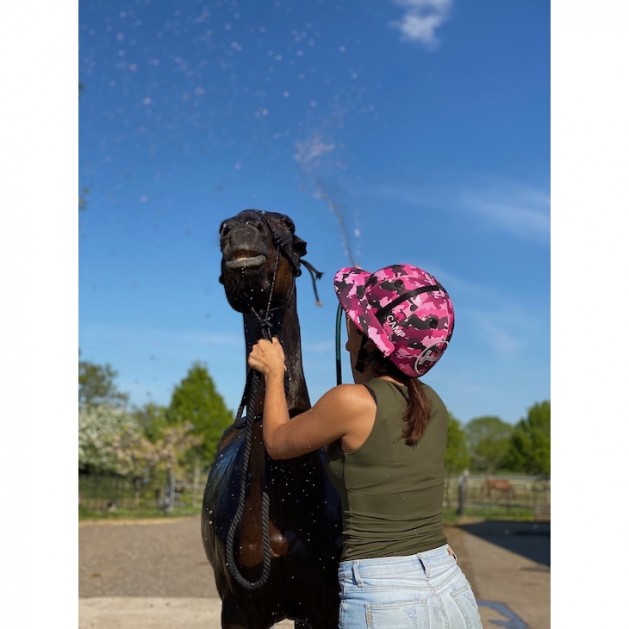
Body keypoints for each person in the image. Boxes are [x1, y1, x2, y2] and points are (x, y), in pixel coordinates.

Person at [248, 263, 482, 628]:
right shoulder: (432, 404)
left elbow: (277, 442)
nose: (346, 339)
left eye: (356, 329)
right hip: (448, 581)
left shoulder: (352, 403)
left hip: (385, 592)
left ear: (373, 342)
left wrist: (275, 373)